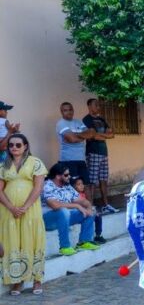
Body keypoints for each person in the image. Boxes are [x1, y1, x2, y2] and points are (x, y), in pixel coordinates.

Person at [0, 134, 47, 295]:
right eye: (11, 145)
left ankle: (37, 280)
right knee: (13, 241)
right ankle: (17, 281)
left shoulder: (36, 162)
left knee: (32, 240)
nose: (14, 147)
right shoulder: (3, 166)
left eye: (18, 145)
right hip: (8, 210)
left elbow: (38, 187)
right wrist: (11, 207)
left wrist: (24, 207)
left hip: (31, 209)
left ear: (25, 146)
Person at [42, 163, 98, 256]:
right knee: (63, 211)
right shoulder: (47, 185)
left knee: (91, 210)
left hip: (65, 218)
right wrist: (76, 206)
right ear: (57, 176)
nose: (69, 177)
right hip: (48, 220)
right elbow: (54, 205)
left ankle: (84, 242)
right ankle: (64, 247)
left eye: (69, 174)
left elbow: (82, 200)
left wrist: (88, 207)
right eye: (66, 175)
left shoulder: (67, 186)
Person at [82, 98, 116, 215]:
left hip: (103, 152)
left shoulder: (101, 119)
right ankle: (91, 207)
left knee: (103, 180)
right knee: (92, 181)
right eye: (95, 105)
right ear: (89, 106)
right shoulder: (86, 119)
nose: (98, 107)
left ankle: (106, 205)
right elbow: (92, 136)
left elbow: (112, 135)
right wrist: (104, 135)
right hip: (93, 152)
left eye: (98, 105)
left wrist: (100, 135)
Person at [56, 101, 94, 186]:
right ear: (61, 112)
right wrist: (83, 136)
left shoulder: (78, 122)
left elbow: (91, 134)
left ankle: (87, 197)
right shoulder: (61, 123)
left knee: (86, 184)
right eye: (65, 110)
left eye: (70, 109)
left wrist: (75, 135)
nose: (69, 112)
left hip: (81, 159)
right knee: (72, 186)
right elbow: (72, 139)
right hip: (68, 161)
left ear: (73, 110)